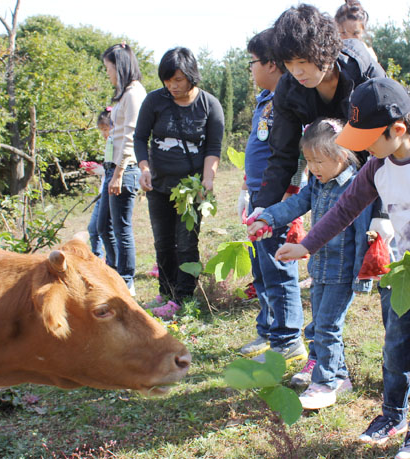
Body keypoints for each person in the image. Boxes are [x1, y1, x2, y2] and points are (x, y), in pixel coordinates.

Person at [276, 77, 410, 459]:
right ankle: (391, 416)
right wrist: (306, 244)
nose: (364, 150)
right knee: (396, 351)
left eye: (368, 140)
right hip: (407, 276)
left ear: (398, 129)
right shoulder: (378, 166)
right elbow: (345, 209)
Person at [248, 118, 377, 409]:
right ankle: (339, 376)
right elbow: (294, 204)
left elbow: (362, 236)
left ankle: (324, 383)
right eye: (308, 161)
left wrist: (362, 277)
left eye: (319, 161)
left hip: (342, 272)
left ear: (342, 155)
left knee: (327, 327)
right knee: (320, 323)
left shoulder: (356, 188)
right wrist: (266, 217)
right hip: (319, 269)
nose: (314, 168)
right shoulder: (316, 185)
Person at [250, 3, 385, 212]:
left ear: (325, 50)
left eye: (303, 61)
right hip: (327, 181)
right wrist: (262, 206)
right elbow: (283, 154)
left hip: (376, 171)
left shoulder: (361, 69)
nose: (297, 71)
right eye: (289, 63)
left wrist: (381, 213)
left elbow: (387, 141)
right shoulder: (288, 89)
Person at [236, 29, 306, 362]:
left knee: (279, 266)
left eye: (253, 62)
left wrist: (287, 198)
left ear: (273, 64)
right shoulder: (265, 100)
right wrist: (246, 189)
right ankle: (268, 329)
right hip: (259, 196)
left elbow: (293, 155)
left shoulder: (291, 100)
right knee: (262, 268)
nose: (250, 69)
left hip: (278, 199)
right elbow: (258, 151)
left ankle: (287, 339)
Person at [135, 47, 224, 302]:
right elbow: (140, 137)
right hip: (159, 185)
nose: (172, 86)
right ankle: (166, 293)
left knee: (186, 243)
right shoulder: (154, 101)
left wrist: (208, 179)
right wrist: (144, 168)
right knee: (163, 243)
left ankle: (184, 297)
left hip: (191, 188)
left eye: (178, 80)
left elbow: (213, 147)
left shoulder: (209, 105)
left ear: (190, 76)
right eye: (167, 80)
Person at [100, 43, 146, 296]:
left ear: (120, 66)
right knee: (103, 226)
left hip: (124, 170)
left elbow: (130, 136)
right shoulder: (123, 93)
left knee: (120, 227)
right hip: (113, 168)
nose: (108, 73)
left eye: (109, 68)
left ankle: (126, 280)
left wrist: (118, 173)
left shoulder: (134, 93)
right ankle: (115, 273)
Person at [83, 108, 112, 258]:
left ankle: (107, 261)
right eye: (101, 130)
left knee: (102, 230)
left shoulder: (119, 143)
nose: (104, 134)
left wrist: (98, 170)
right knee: (95, 230)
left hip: (110, 192)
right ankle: (99, 259)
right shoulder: (109, 145)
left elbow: (113, 169)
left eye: (106, 129)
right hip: (102, 192)